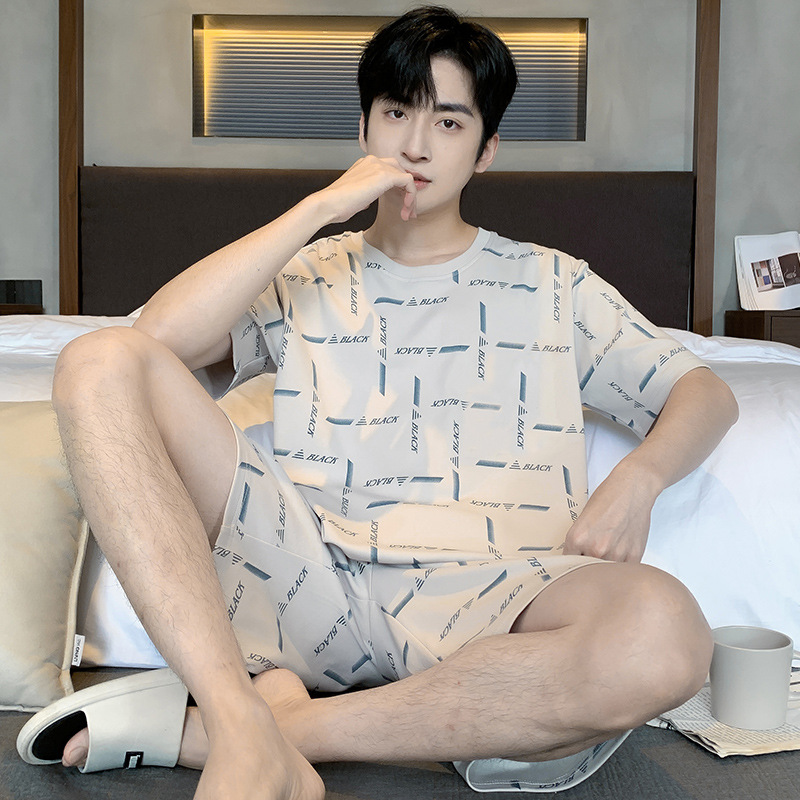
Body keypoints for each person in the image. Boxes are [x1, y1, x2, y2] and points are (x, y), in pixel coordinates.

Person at [19, 6, 738, 800]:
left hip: (489, 598)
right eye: (396, 113)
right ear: (364, 127)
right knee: (96, 359)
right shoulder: (307, 270)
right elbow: (154, 342)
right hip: (307, 578)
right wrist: (319, 210)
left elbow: (703, 392)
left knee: (666, 636)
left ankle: (251, 736)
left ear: (486, 150)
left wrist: (638, 479)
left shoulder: (554, 283)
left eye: (449, 122)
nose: (416, 146)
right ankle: (238, 709)